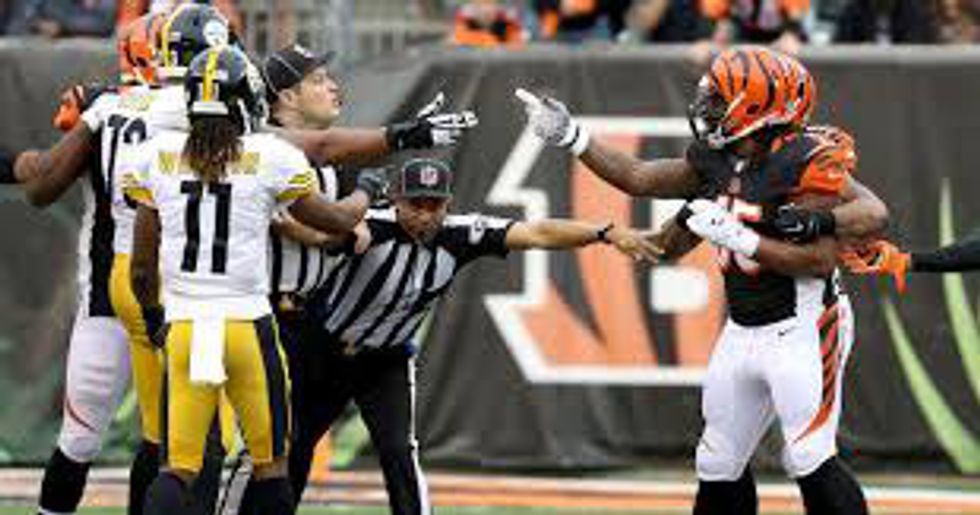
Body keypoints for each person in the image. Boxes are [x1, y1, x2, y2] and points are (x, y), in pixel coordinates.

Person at [515, 46, 887, 515]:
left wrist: (755, 234)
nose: (706, 106)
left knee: (808, 454)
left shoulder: (802, 160)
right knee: (717, 460)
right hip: (743, 326)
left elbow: (836, 245)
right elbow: (638, 177)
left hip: (806, 325)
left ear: (757, 106)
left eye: (720, 98)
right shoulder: (719, 159)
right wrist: (573, 136)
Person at [288, 157, 660, 515]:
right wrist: (314, 230)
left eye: (434, 205)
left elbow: (537, 233)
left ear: (448, 204)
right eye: (415, 204)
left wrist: (604, 232)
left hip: (386, 360)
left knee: (399, 450)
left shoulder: (459, 233)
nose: (425, 215)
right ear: (396, 200)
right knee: (297, 444)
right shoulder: (372, 224)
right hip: (325, 352)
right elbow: (322, 235)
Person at [125, 44, 387, 515]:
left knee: (178, 467)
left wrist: (153, 316)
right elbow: (335, 221)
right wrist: (367, 191)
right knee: (271, 465)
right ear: (248, 99)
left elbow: (141, 267)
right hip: (248, 324)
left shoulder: (156, 155)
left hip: (185, 323)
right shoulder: (270, 155)